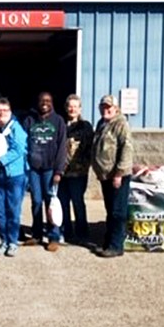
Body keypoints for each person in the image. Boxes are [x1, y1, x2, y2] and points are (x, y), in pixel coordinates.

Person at [22, 92, 67, 252]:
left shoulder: (59, 121)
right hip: (33, 169)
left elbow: (62, 147)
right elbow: (23, 143)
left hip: (50, 169)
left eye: (48, 100)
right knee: (36, 201)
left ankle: (53, 236)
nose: (45, 103)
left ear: (52, 102)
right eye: (42, 100)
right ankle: (36, 234)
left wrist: (59, 171)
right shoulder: (29, 120)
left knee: (51, 202)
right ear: (38, 102)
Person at [92, 94, 133, 258]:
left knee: (118, 212)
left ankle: (116, 246)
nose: (105, 110)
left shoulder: (121, 124)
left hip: (117, 176)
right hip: (105, 175)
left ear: (116, 109)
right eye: (103, 107)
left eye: (109, 107)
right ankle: (108, 241)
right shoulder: (102, 124)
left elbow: (127, 149)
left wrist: (119, 173)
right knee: (110, 210)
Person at [0, 98, 28, 257]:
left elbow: (19, 149)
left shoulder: (16, 128)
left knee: (13, 209)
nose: (2, 114)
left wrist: (0, 160)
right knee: (0, 210)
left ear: (10, 112)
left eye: (5, 111)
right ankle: (3, 241)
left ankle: (13, 242)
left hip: (14, 174)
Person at [60, 94, 94, 244]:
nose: (72, 109)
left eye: (75, 106)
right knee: (63, 203)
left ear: (80, 109)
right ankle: (66, 231)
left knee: (77, 202)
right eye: (70, 106)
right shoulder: (61, 125)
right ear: (66, 108)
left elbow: (89, 150)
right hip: (61, 173)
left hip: (78, 173)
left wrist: (84, 165)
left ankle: (82, 232)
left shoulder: (85, 126)